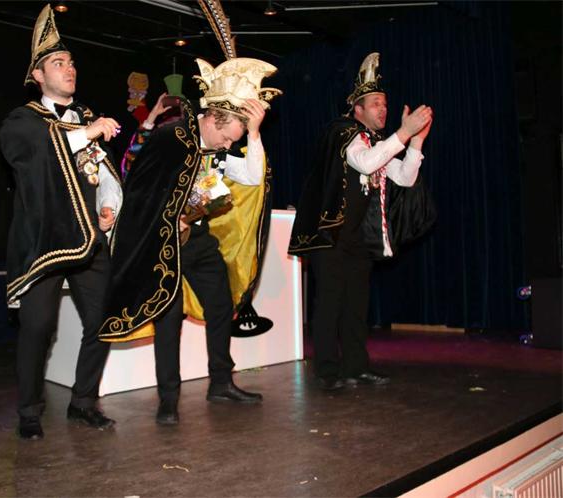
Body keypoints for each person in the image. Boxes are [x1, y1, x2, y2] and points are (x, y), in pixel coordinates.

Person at [99, 56, 281, 425]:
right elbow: (139, 186)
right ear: (213, 119)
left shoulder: (220, 147)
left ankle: (221, 382)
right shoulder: (171, 137)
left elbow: (251, 176)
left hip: (198, 239)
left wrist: (254, 134)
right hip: (163, 241)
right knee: (169, 318)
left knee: (221, 305)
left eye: (234, 140)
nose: (228, 144)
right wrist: (168, 217)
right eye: (227, 137)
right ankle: (168, 399)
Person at [0, 4, 122, 440]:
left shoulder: (87, 116)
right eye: (58, 62)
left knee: (103, 321)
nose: (69, 68)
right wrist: (85, 134)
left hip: (88, 238)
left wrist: (108, 207)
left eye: (71, 62)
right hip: (46, 241)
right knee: (37, 328)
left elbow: (104, 173)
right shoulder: (23, 121)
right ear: (38, 74)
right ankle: (29, 411)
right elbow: (32, 155)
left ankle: (83, 401)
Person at [288, 52, 433, 391]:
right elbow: (366, 163)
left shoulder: (378, 142)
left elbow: (404, 178)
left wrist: (416, 141)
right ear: (357, 109)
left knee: (356, 304)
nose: (383, 110)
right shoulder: (342, 133)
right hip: (332, 234)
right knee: (330, 303)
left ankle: (356, 366)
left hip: (358, 238)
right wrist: (402, 133)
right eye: (376, 104)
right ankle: (327, 371)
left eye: (385, 104)